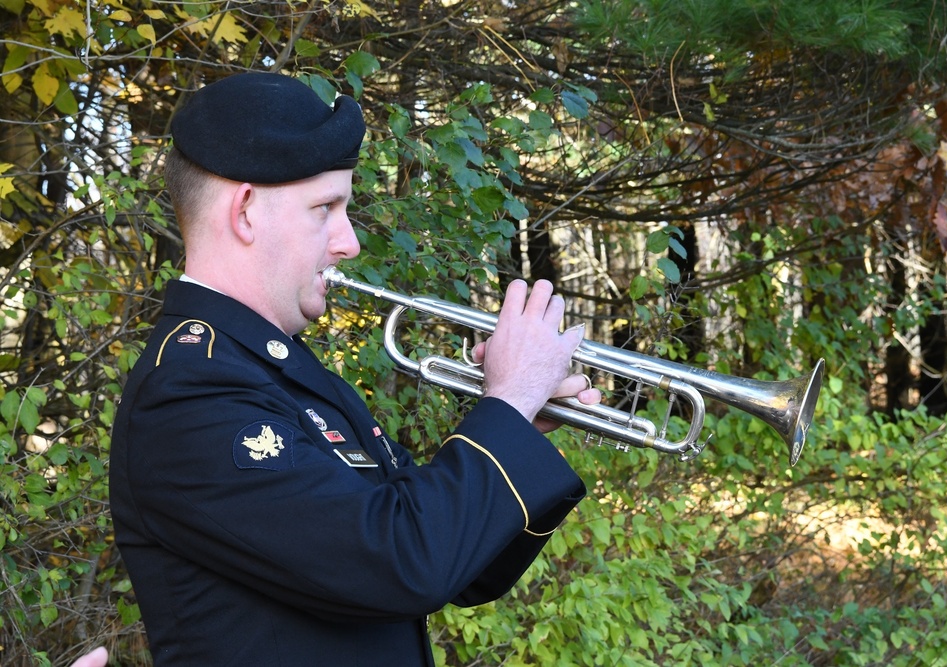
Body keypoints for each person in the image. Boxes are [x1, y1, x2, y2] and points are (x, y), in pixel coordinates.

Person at [109, 72, 599, 666]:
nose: (350, 243)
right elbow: (400, 564)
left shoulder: (283, 374)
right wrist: (508, 403)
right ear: (244, 212)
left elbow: (462, 572)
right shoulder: (189, 393)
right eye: (326, 208)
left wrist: (516, 431)